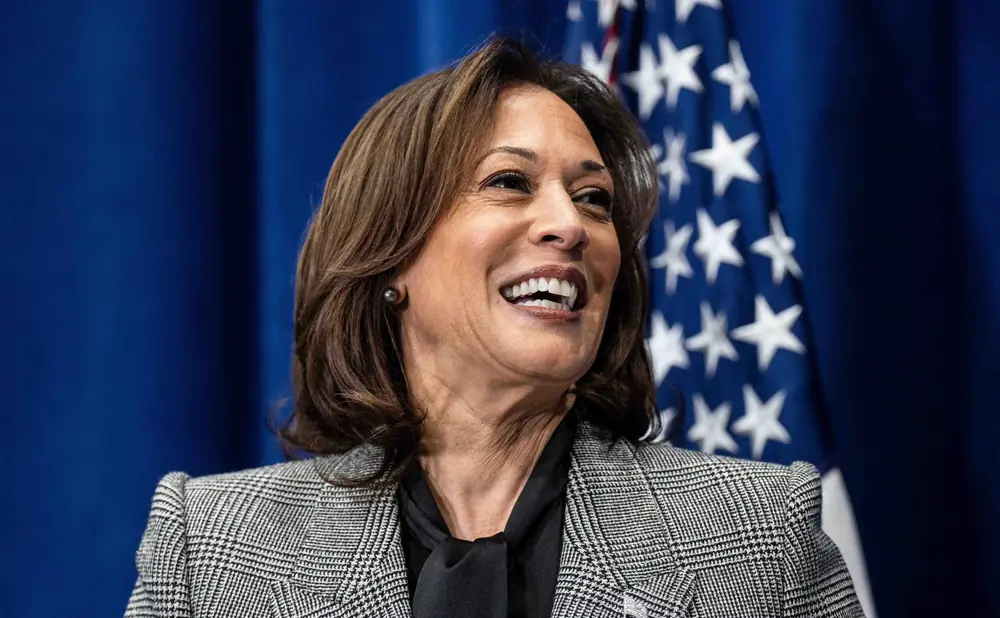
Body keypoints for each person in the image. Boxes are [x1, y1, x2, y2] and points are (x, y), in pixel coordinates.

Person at [125, 37, 864, 618]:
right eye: (510, 183)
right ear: (392, 256)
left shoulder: (760, 536)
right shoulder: (215, 549)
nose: (570, 226)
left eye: (594, 198)